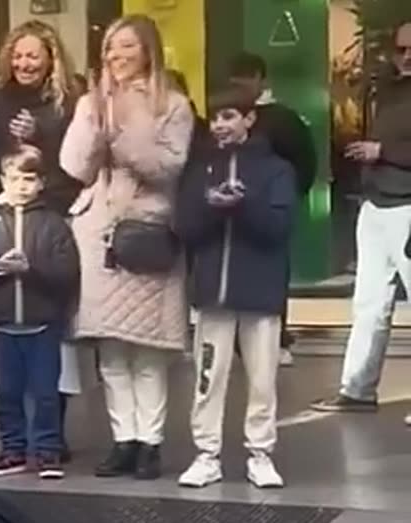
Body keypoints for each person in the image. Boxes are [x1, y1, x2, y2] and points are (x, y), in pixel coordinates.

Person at [59, 15, 193, 481]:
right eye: (110, 48)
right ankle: (124, 440)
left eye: (126, 47)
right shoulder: (92, 101)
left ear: (148, 51)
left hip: (147, 231)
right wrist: (96, 119)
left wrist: (128, 127)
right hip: (99, 234)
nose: (115, 56)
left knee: (148, 350)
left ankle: (151, 442)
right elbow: (74, 165)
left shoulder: (173, 105)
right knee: (112, 351)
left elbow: (170, 165)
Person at [0, 20, 83, 465]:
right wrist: (14, 145)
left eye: (34, 56)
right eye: (19, 55)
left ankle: (50, 438)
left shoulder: (69, 105)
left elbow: (75, 168)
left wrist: (39, 138)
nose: (25, 63)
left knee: (53, 335)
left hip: (53, 220)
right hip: (1, 222)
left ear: (51, 59)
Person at [175, 88, 297, 489]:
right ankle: (206, 454)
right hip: (213, 294)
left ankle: (260, 454)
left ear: (249, 119)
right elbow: (186, 228)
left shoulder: (277, 170)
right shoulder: (200, 169)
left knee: (263, 379)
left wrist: (243, 207)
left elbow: (278, 229)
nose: (221, 125)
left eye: (229, 116)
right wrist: (211, 207)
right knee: (208, 377)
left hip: (260, 294)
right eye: (215, 118)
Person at [0, 145, 79, 479]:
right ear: (2, 180)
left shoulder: (54, 224)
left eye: (29, 178)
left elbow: (68, 273)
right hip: (2, 325)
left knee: (45, 393)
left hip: (43, 325)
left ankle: (47, 452)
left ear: (41, 182)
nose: (22, 186)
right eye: (14, 178)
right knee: (7, 394)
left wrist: (31, 269)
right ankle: (13, 451)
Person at [310, 21, 411, 419]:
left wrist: (381, 150)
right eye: (401, 48)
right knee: (368, 304)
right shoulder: (384, 92)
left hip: (407, 206)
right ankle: (356, 389)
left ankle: (358, 388)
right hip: (376, 205)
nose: (406, 56)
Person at [228, 52, 318, 367]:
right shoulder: (226, 117)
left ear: (260, 80)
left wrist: (286, 198)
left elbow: (305, 162)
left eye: (245, 79)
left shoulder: (283, 120)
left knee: (271, 273)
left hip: (270, 209)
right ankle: (238, 339)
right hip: (231, 212)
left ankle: (275, 338)